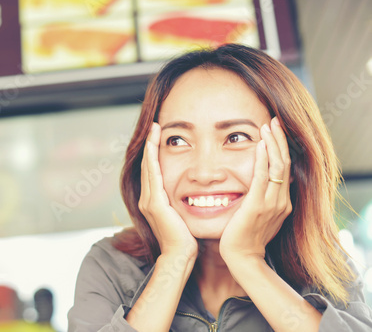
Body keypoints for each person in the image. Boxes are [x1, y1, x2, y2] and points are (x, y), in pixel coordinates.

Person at [67, 44, 372, 331]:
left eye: (236, 137)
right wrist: (174, 258)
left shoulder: (328, 269)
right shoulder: (111, 265)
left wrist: (247, 260)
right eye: (177, 140)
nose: (204, 172)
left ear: (290, 160)